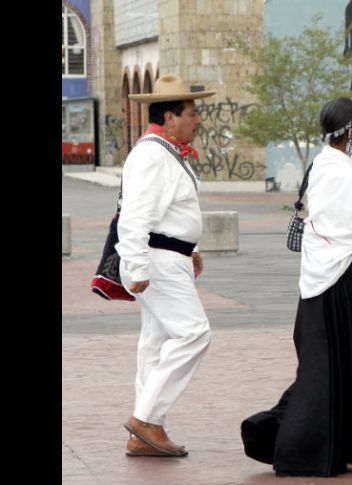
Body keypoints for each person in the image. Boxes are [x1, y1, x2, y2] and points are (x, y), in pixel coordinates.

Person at [241, 98, 352, 476]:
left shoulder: (327, 164)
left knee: (329, 365)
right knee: (350, 362)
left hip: (324, 279)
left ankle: (347, 446)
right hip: (343, 281)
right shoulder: (341, 171)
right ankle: (328, 446)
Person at [116, 74, 216, 457]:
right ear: (170, 117)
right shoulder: (153, 154)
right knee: (194, 334)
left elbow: (166, 211)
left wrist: (187, 247)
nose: (198, 120)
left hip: (166, 257)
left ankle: (144, 433)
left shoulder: (164, 151)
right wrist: (138, 266)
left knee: (155, 344)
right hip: (155, 262)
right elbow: (136, 216)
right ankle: (145, 419)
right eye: (192, 113)